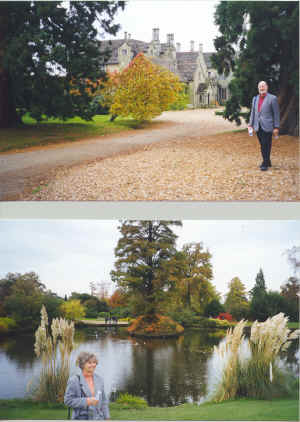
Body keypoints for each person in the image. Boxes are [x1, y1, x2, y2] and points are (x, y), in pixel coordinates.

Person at [64, 352, 110, 420]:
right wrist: (86, 401)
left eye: (94, 362)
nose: (93, 365)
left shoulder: (99, 379)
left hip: (99, 419)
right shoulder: (74, 380)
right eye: (89, 363)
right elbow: (68, 401)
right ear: (82, 365)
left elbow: (104, 402)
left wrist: (107, 417)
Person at [248, 81, 280, 171]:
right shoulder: (255, 99)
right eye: (260, 87)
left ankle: (264, 163)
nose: (262, 88)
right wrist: (250, 124)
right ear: (258, 88)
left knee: (265, 144)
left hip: (268, 125)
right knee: (263, 144)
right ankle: (268, 160)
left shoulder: (273, 98)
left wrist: (276, 127)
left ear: (267, 87)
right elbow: (253, 113)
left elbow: (276, 114)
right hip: (257, 126)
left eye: (263, 86)